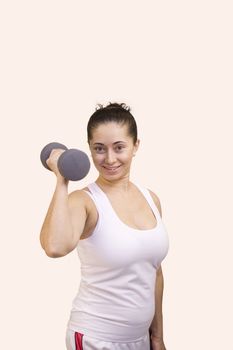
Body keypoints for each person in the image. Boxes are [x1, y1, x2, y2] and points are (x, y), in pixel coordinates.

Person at [40, 102, 169, 350]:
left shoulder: (151, 199)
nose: (109, 158)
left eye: (119, 147)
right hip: (95, 338)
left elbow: (155, 272)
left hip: (139, 339)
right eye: (99, 149)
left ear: (136, 146)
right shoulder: (84, 201)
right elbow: (54, 247)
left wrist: (157, 337)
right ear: (89, 149)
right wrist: (61, 179)